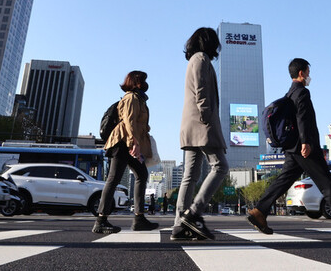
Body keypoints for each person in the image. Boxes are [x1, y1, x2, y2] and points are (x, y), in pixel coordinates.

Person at [247, 58, 331, 236]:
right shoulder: (302, 92)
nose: (309, 76)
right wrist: (306, 142)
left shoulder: (289, 94)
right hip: (304, 148)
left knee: (284, 180)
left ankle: (259, 211)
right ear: (301, 73)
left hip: (292, 148)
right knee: (326, 180)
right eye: (308, 72)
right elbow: (303, 118)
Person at [172, 27, 229, 241]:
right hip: (201, 122)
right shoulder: (201, 58)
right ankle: (194, 213)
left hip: (191, 123)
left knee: (191, 175)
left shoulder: (194, 59)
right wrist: (206, 116)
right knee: (221, 166)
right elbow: (202, 89)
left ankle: (179, 225)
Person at [93, 70, 158, 234]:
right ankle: (101, 220)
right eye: (143, 80)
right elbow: (129, 123)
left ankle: (139, 218)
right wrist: (133, 143)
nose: (146, 83)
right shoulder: (131, 98)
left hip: (129, 142)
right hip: (122, 142)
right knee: (113, 179)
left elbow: (138, 123)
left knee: (142, 174)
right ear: (136, 82)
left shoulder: (140, 100)